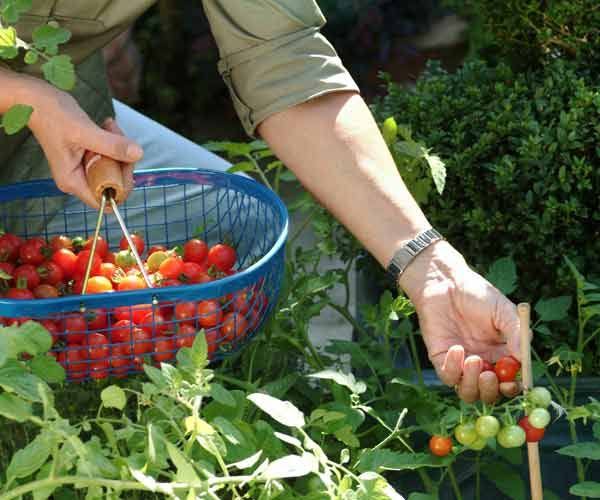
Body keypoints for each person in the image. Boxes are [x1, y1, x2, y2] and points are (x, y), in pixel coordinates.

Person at [0, 1, 522, 403]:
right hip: (42, 110)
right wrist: (27, 98)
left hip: (56, 130)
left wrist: (432, 268)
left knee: (233, 224)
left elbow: (283, 57)